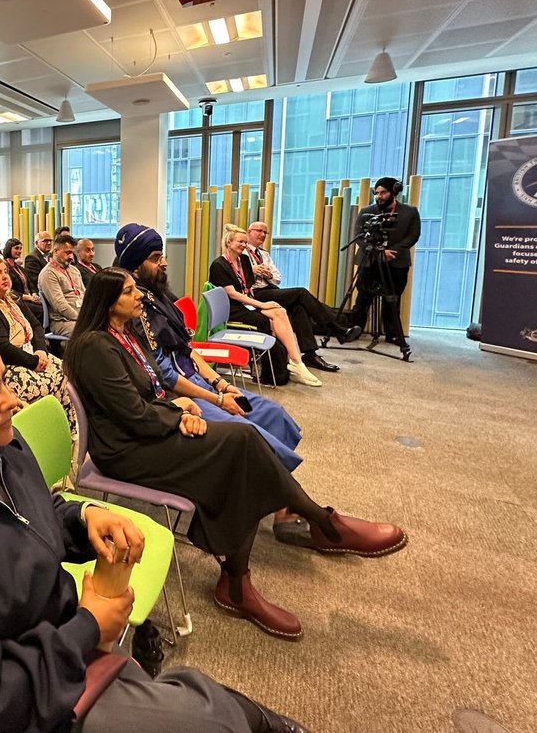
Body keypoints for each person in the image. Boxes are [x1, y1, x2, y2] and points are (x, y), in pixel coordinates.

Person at [0, 310, 309, 732]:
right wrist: (89, 628)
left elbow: (30, 515)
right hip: (35, 704)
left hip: (63, 648)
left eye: (3, 381)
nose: (10, 401)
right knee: (214, 721)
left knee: (212, 703)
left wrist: (85, 516)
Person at [65, 269, 407, 639]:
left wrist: (188, 405)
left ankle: (241, 579)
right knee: (240, 445)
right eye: (130, 292)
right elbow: (132, 413)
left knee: (241, 452)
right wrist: (180, 414)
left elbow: (155, 387)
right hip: (126, 449)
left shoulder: (124, 333)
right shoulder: (95, 347)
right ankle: (320, 525)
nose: (140, 296)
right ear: (108, 301)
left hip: (148, 428)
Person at [114, 224, 303, 476]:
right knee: (247, 433)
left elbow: (188, 350)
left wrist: (220, 384)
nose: (165, 263)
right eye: (155, 258)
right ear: (135, 266)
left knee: (272, 412)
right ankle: (279, 500)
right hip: (178, 393)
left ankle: (272, 482)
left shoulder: (160, 297)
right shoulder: (136, 309)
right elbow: (165, 374)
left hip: (197, 380)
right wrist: (218, 400)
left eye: (162, 255)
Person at [0, 256, 77, 437]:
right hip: (6, 365)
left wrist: (41, 350)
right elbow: (1, 348)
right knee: (46, 384)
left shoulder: (12, 299)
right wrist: (33, 362)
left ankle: (65, 435)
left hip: (31, 355)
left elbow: (37, 326)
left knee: (66, 372)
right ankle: (42, 438)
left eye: (5, 272)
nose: (5, 277)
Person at [209, 228, 322, 387]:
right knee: (270, 319)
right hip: (232, 310)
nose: (243, 245)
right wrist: (262, 304)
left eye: (245, 242)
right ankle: (288, 364)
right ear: (229, 243)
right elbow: (232, 294)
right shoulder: (218, 265)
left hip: (246, 303)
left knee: (280, 311)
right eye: (240, 242)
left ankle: (295, 360)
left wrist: (262, 302)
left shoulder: (244, 261)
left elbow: (248, 288)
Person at [243, 221, 362, 370]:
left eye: (265, 232)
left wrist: (268, 275)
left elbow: (278, 277)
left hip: (269, 288)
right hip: (254, 294)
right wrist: (252, 269)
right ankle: (337, 329)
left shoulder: (264, 254)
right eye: (258, 231)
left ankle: (310, 354)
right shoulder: (242, 253)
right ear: (249, 232)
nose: (262, 235)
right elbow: (237, 274)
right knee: (301, 292)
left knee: (299, 307)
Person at [349, 176, 421, 347]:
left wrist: (393, 250)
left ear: (393, 192)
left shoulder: (409, 212)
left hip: (396, 262)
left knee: (392, 299)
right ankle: (353, 328)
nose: (379, 196)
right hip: (370, 261)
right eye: (377, 192)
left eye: (383, 192)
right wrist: (380, 251)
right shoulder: (366, 212)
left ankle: (392, 333)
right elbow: (358, 236)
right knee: (363, 298)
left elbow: (413, 235)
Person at [38, 233, 83, 338]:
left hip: (80, 317)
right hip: (63, 321)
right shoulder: (48, 274)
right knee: (90, 334)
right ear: (55, 252)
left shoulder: (74, 270)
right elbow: (60, 305)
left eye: (72, 253)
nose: (71, 257)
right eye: (67, 253)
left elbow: (85, 294)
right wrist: (82, 319)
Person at [2, 237, 41, 309]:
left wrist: (34, 294)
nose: (19, 251)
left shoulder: (20, 268)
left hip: (28, 298)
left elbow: (30, 284)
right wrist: (28, 297)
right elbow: (10, 291)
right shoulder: (4, 268)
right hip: (16, 301)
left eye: (20, 249)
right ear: (8, 249)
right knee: (40, 310)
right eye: (16, 248)